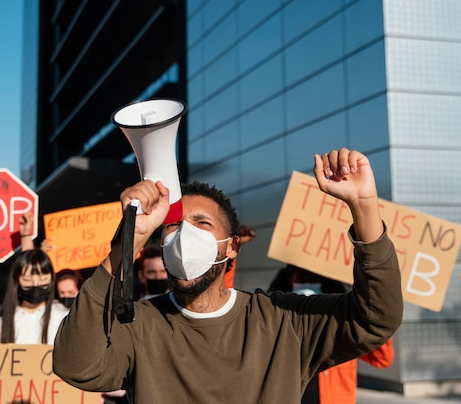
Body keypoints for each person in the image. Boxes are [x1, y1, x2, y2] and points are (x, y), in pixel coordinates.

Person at [53, 148, 403, 403]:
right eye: (173, 226)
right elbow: (76, 366)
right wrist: (127, 242)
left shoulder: (284, 320)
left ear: (232, 246)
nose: (184, 236)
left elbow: (375, 320)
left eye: (202, 223)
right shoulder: (139, 323)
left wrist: (364, 206)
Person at [268, 264, 395, 404]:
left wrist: (373, 315)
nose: (307, 282)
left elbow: (382, 358)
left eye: (313, 277)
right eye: (301, 277)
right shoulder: (272, 322)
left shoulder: (343, 324)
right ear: (289, 279)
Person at [0, 247, 69, 344]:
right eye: (27, 279)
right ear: (16, 281)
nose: (35, 284)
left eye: (43, 279)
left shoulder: (65, 320)